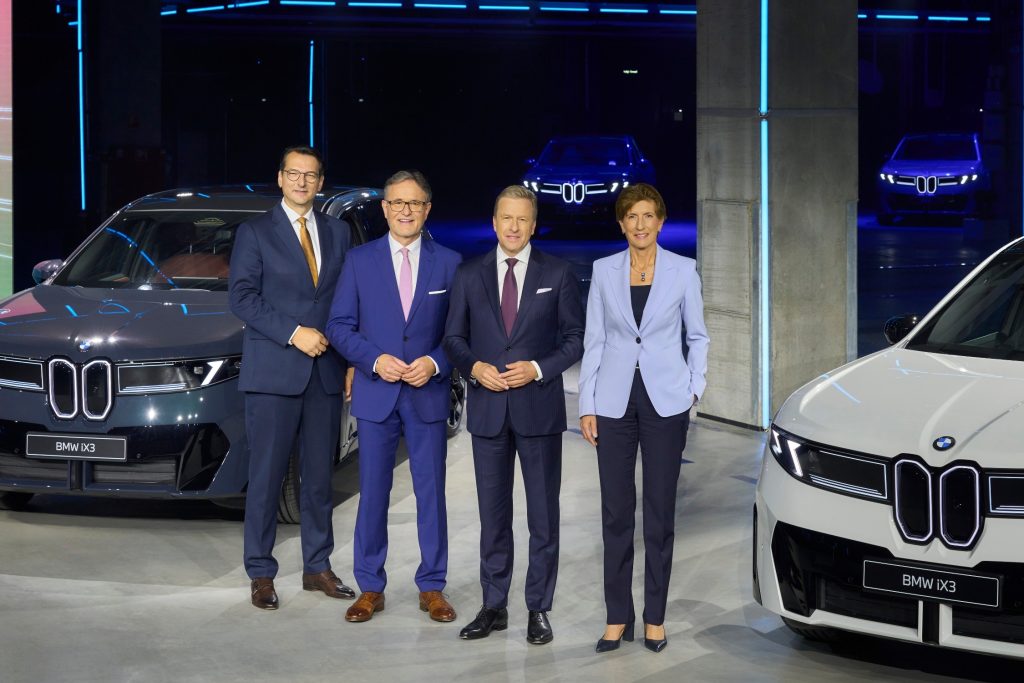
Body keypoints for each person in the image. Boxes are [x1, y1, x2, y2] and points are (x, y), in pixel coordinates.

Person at [444, 185, 584, 645]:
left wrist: (538, 368)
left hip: (538, 411)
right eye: (507, 217)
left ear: (534, 224)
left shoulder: (558, 273)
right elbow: (453, 339)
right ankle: (494, 605)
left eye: (523, 219)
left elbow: (575, 340)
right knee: (493, 516)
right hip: (488, 412)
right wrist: (475, 368)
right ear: (494, 222)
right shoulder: (469, 274)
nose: (514, 226)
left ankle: (538, 608)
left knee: (543, 517)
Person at [578, 183, 709, 653]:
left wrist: (694, 387)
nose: (640, 224)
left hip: (665, 403)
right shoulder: (603, 270)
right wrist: (587, 403)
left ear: (661, 221)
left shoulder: (683, 270)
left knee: (658, 513)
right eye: (631, 216)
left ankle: (655, 618)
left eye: (648, 215)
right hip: (614, 402)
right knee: (616, 513)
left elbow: (698, 336)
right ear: (621, 223)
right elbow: (595, 339)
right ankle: (618, 617)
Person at [327, 170, 462, 624]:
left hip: (427, 393)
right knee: (373, 494)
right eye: (398, 203)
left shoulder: (450, 263)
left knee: (431, 494)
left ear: (427, 209)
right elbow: (339, 325)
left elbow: (460, 333)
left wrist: (436, 363)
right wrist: (373, 360)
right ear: (385, 209)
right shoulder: (359, 261)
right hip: (377, 392)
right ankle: (370, 586)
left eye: (415, 203)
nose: (406, 211)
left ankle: (433, 586)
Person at [229, 145, 355, 610]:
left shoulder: (338, 232)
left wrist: (350, 360)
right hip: (273, 373)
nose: (302, 181)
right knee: (265, 479)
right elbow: (242, 297)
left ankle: (317, 566)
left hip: (325, 373)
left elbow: (346, 301)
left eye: (311, 175)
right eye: (294, 173)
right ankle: (261, 572)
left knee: (320, 479)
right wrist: (294, 333)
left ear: (321, 182)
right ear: (280, 178)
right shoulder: (255, 232)